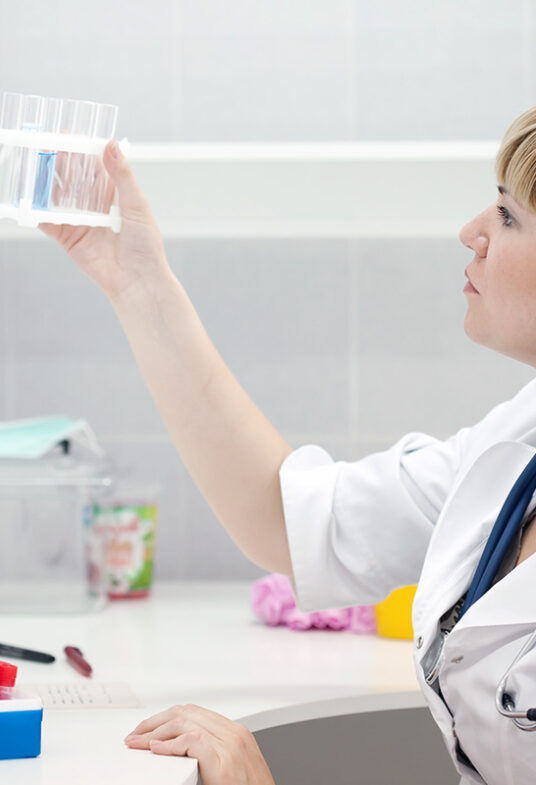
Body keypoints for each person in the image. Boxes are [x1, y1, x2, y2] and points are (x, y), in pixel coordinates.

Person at [41, 106, 536, 785]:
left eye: (507, 216)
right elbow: (291, 519)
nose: (471, 232)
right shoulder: (518, 439)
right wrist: (138, 282)